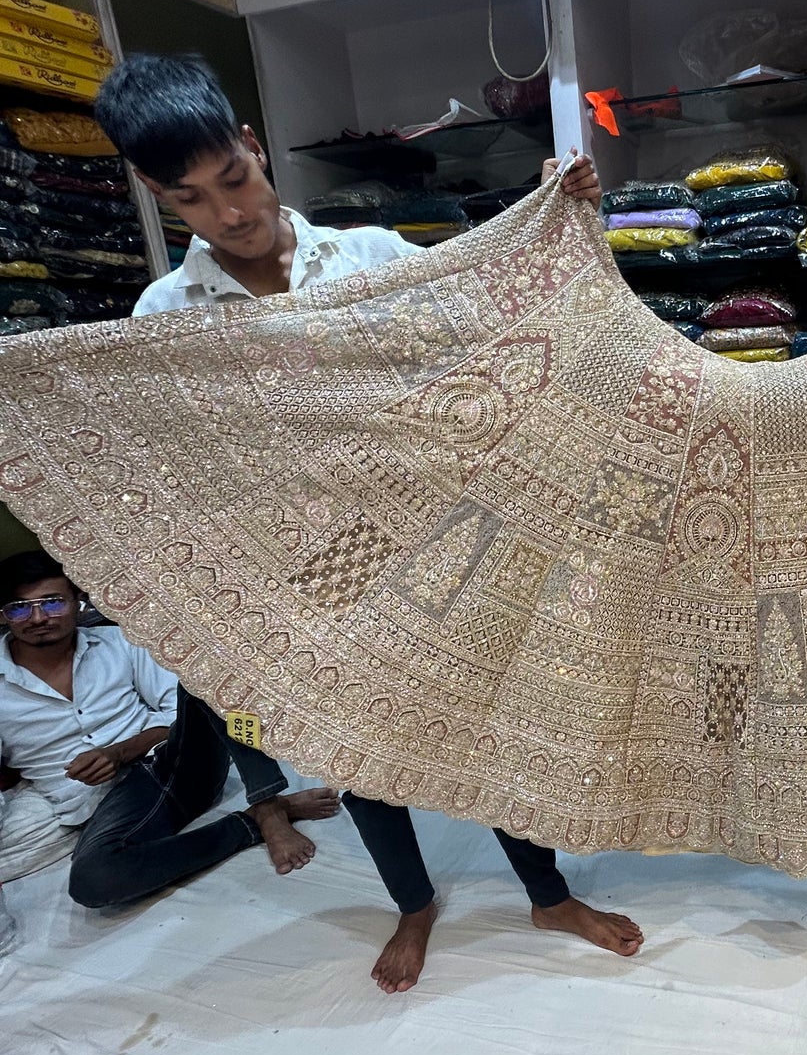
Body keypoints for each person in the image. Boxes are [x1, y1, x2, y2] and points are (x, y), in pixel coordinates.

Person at [93, 54, 642, 990]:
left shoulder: (373, 257)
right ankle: (414, 903)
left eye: (236, 178)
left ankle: (547, 893)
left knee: (492, 723)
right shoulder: (166, 317)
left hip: (440, 543)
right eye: (193, 200)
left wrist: (554, 212)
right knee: (368, 746)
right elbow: (175, 470)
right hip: (316, 568)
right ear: (157, 196)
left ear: (255, 149)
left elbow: (497, 317)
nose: (231, 212)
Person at [0, 551, 339, 922]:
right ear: (3, 614)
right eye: (19, 608)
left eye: (52, 602)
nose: (37, 618)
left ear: (77, 602)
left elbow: (175, 715)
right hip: (104, 808)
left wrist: (121, 752)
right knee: (92, 882)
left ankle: (269, 805)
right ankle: (248, 824)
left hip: (175, 765)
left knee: (203, 669)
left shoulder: (118, 642)